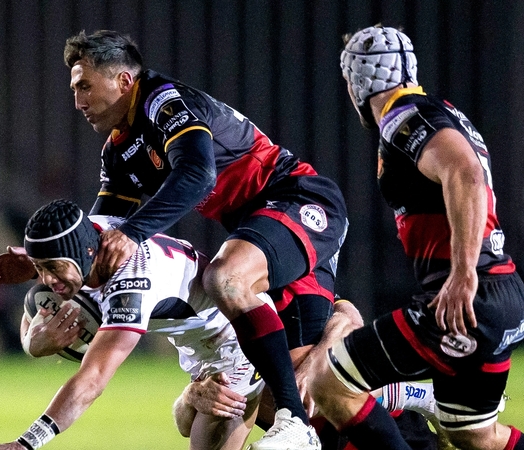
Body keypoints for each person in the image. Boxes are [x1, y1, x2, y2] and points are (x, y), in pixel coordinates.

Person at [60, 29, 349, 449]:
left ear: (123, 80)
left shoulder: (162, 100)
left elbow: (197, 174)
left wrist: (134, 231)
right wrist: (42, 265)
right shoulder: (117, 151)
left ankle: (296, 421)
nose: (78, 101)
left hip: (298, 199)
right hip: (262, 227)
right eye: (73, 89)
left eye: (84, 85)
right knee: (312, 393)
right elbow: (99, 237)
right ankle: (414, 399)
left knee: (225, 278)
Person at [307, 25, 524, 450]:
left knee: (328, 381)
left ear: (357, 82)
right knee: (473, 435)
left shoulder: (405, 117)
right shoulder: (442, 113)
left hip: (469, 296)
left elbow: (467, 174)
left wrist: (463, 273)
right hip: (501, 294)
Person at [0, 199, 270, 450]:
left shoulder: (130, 285)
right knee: (214, 418)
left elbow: (93, 379)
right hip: (198, 345)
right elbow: (39, 300)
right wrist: (31, 337)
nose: (47, 280)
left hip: (235, 337)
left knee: (219, 422)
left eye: (51, 267)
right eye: (39, 268)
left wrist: (26, 443)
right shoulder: (85, 239)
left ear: (86, 254)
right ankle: (193, 394)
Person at [173, 300, 448, 450]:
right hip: (313, 436)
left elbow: (348, 313)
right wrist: (191, 397)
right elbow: (185, 425)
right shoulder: (226, 343)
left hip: (375, 424)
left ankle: (415, 397)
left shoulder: (287, 305)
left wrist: (314, 365)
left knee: (316, 376)